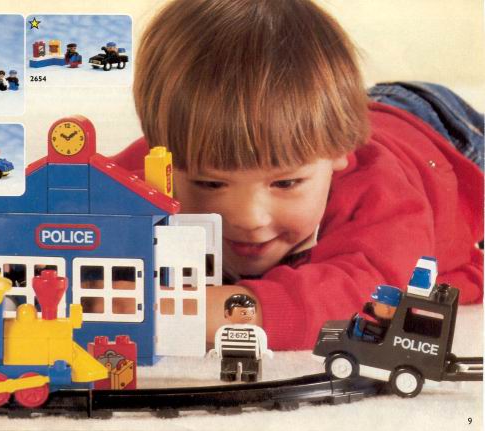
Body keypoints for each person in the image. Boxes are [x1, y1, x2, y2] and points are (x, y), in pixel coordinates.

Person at [110, 0, 484, 350]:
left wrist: (205, 311)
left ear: (340, 152)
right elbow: (83, 208)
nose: (248, 218)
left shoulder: (382, 194)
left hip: (441, 130)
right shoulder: (167, 159)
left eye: (285, 183)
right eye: (209, 183)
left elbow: (369, 299)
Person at [214, 294, 271, 382]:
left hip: (250, 357)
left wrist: (263, 352)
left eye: (252, 312)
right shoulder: (223, 330)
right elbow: (218, 340)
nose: (249, 315)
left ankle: (250, 377)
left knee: (250, 372)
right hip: (228, 356)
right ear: (227, 313)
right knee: (228, 372)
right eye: (243, 313)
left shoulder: (256, 330)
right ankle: (228, 377)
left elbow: (262, 340)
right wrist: (216, 351)